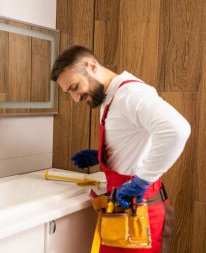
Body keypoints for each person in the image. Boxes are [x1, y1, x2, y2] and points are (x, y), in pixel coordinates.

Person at [51, 45, 190, 253]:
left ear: (91, 66)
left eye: (74, 87)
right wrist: (101, 155)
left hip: (140, 216)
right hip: (124, 213)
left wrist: (142, 181)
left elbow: (177, 130)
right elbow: (136, 141)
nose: (75, 98)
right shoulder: (110, 97)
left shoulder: (130, 94)